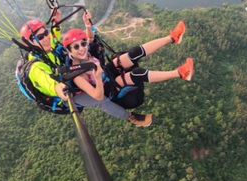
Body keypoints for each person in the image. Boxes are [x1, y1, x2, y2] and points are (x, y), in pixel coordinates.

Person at [62, 21, 194, 127]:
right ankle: (180, 73)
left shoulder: (86, 52)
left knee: (133, 53)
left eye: (82, 43)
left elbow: (90, 37)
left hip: (107, 73)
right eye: (76, 47)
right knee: (137, 74)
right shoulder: (78, 75)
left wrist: (87, 25)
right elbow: (98, 96)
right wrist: (97, 77)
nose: (82, 48)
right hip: (108, 88)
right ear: (69, 51)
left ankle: (172, 38)